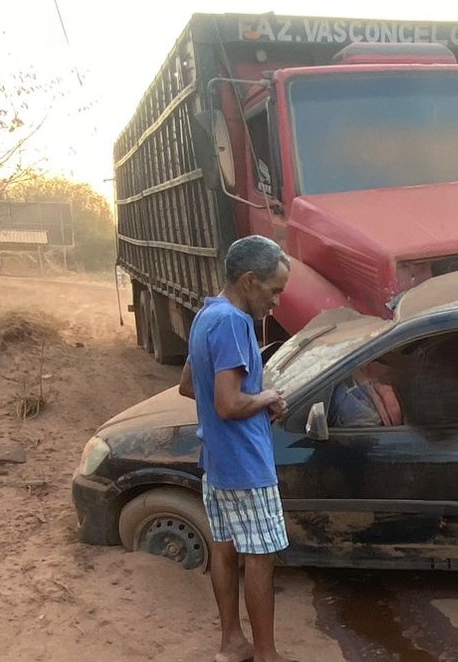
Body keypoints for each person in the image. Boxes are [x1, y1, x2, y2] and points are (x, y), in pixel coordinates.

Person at [178, 235, 293, 662]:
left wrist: (253, 403)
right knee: (260, 559)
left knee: (225, 551)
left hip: (217, 462)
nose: (277, 301)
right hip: (246, 465)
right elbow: (228, 404)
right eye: (274, 290)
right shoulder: (236, 323)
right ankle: (266, 655)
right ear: (249, 281)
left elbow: (190, 385)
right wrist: (266, 398)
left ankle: (232, 643)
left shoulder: (208, 315)